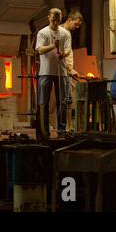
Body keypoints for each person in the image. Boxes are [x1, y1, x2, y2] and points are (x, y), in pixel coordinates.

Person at [36, 8, 72, 139]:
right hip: (45, 71)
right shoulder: (43, 33)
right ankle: (44, 132)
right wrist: (53, 46)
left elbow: (68, 49)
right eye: (53, 20)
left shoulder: (65, 33)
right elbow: (40, 50)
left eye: (58, 20)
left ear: (61, 19)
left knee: (62, 101)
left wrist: (64, 54)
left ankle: (61, 130)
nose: (55, 22)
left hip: (61, 72)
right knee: (43, 102)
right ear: (48, 18)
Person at [61, 10, 84, 131]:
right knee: (67, 100)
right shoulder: (62, 33)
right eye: (76, 24)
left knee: (67, 100)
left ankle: (68, 127)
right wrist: (70, 70)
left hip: (66, 73)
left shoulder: (67, 33)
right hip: (64, 71)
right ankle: (67, 128)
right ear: (69, 20)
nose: (77, 27)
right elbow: (60, 56)